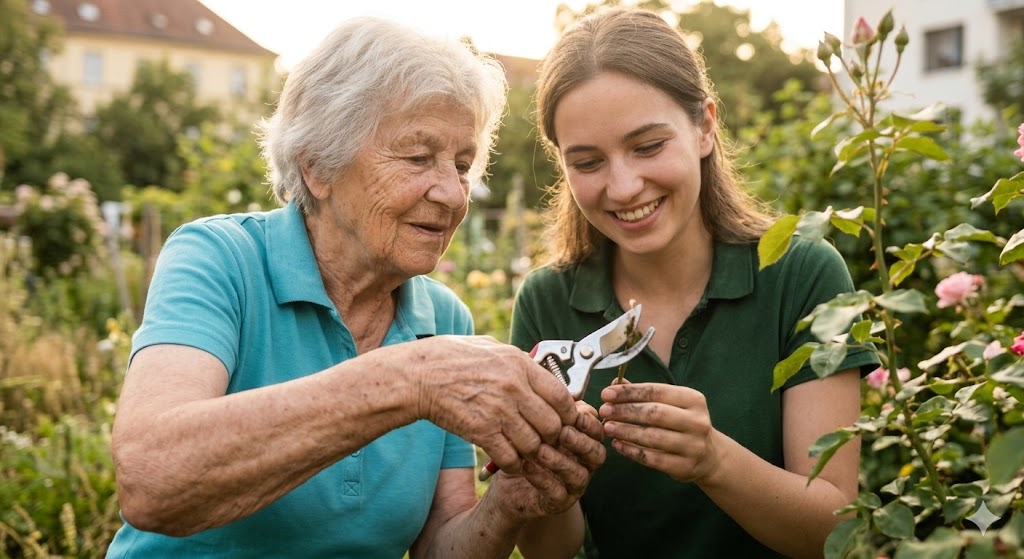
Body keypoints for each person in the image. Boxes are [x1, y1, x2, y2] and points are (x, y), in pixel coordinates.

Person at [105, 16, 604, 559]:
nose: (452, 194)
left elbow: (439, 545)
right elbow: (152, 480)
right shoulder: (221, 260)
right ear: (318, 165)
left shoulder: (443, 320)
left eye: (462, 165)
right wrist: (410, 380)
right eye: (417, 158)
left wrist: (507, 503)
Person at [509, 7, 879, 559]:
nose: (624, 186)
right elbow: (549, 552)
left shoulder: (803, 275)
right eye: (587, 162)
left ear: (705, 125)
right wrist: (552, 474)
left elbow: (834, 532)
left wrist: (713, 460)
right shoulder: (547, 302)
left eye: (648, 146)